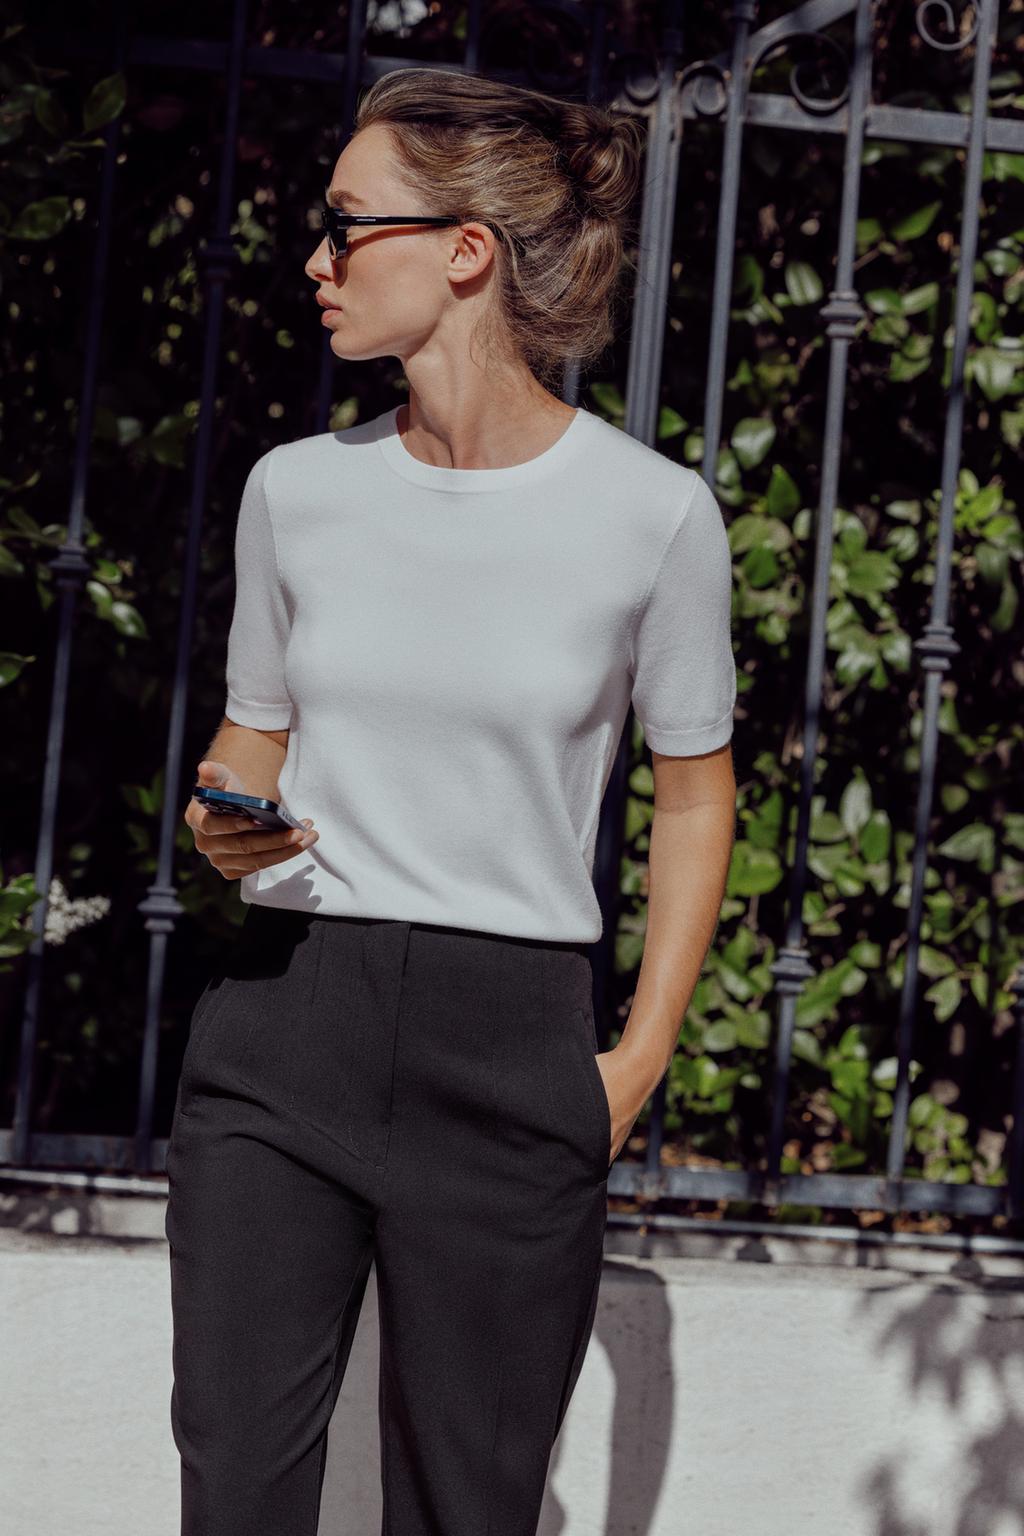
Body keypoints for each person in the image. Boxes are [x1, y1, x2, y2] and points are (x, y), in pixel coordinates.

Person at [167, 66, 737, 1536]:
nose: (317, 259)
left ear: (465, 250)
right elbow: (251, 741)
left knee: (468, 1508)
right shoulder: (297, 491)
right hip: (286, 1022)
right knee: (235, 1491)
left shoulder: (653, 517)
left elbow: (694, 800)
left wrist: (634, 1060)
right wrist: (225, 818)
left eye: (348, 225)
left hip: (511, 1051)